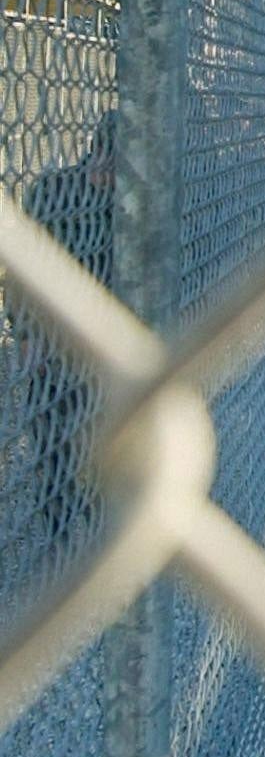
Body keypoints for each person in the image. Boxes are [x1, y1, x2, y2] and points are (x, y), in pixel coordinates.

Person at [14, 111, 116, 546]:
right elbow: (22, 275)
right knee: (54, 448)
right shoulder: (53, 193)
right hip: (53, 345)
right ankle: (57, 545)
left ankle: (97, 542)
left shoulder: (130, 215)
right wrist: (26, 336)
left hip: (104, 352)